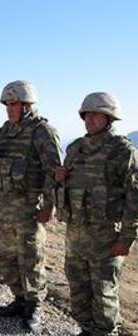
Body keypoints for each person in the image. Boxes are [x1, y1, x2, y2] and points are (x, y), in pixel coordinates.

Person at [55, 92, 138, 336]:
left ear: (110, 118)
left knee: (103, 294)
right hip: (76, 236)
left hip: (106, 240)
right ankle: (86, 330)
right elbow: (64, 188)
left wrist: (127, 238)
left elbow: (134, 198)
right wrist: (59, 179)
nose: (89, 119)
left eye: (95, 114)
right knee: (78, 292)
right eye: (86, 114)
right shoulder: (76, 149)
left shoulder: (122, 152)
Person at [0, 80, 61, 331]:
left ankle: (34, 306)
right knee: (7, 258)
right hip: (5, 210)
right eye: (7, 104)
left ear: (27, 105)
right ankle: (18, 300)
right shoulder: (4, 132)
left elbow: (54, 172)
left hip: (29, 211)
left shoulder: (42, 132)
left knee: (31, 259)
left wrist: (48, 206)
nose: (9, 108)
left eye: (14, 103)